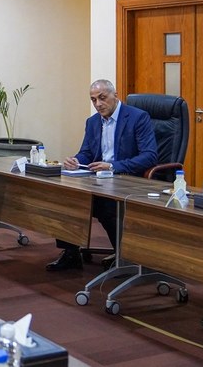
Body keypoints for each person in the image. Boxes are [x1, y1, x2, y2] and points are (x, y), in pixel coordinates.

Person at [47, 79, 157, 271]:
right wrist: (75, 160)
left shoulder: (138, 117)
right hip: (98, 179)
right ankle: (71, 254)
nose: (98, 104)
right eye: (93, 100)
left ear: (115, 95)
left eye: (102, 98)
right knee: (64, 196)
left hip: (128, 179)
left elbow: (149, 156)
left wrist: (112, 166)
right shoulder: (92, 122)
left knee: (105, 204)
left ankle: (125, 256)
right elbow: (87, 153)